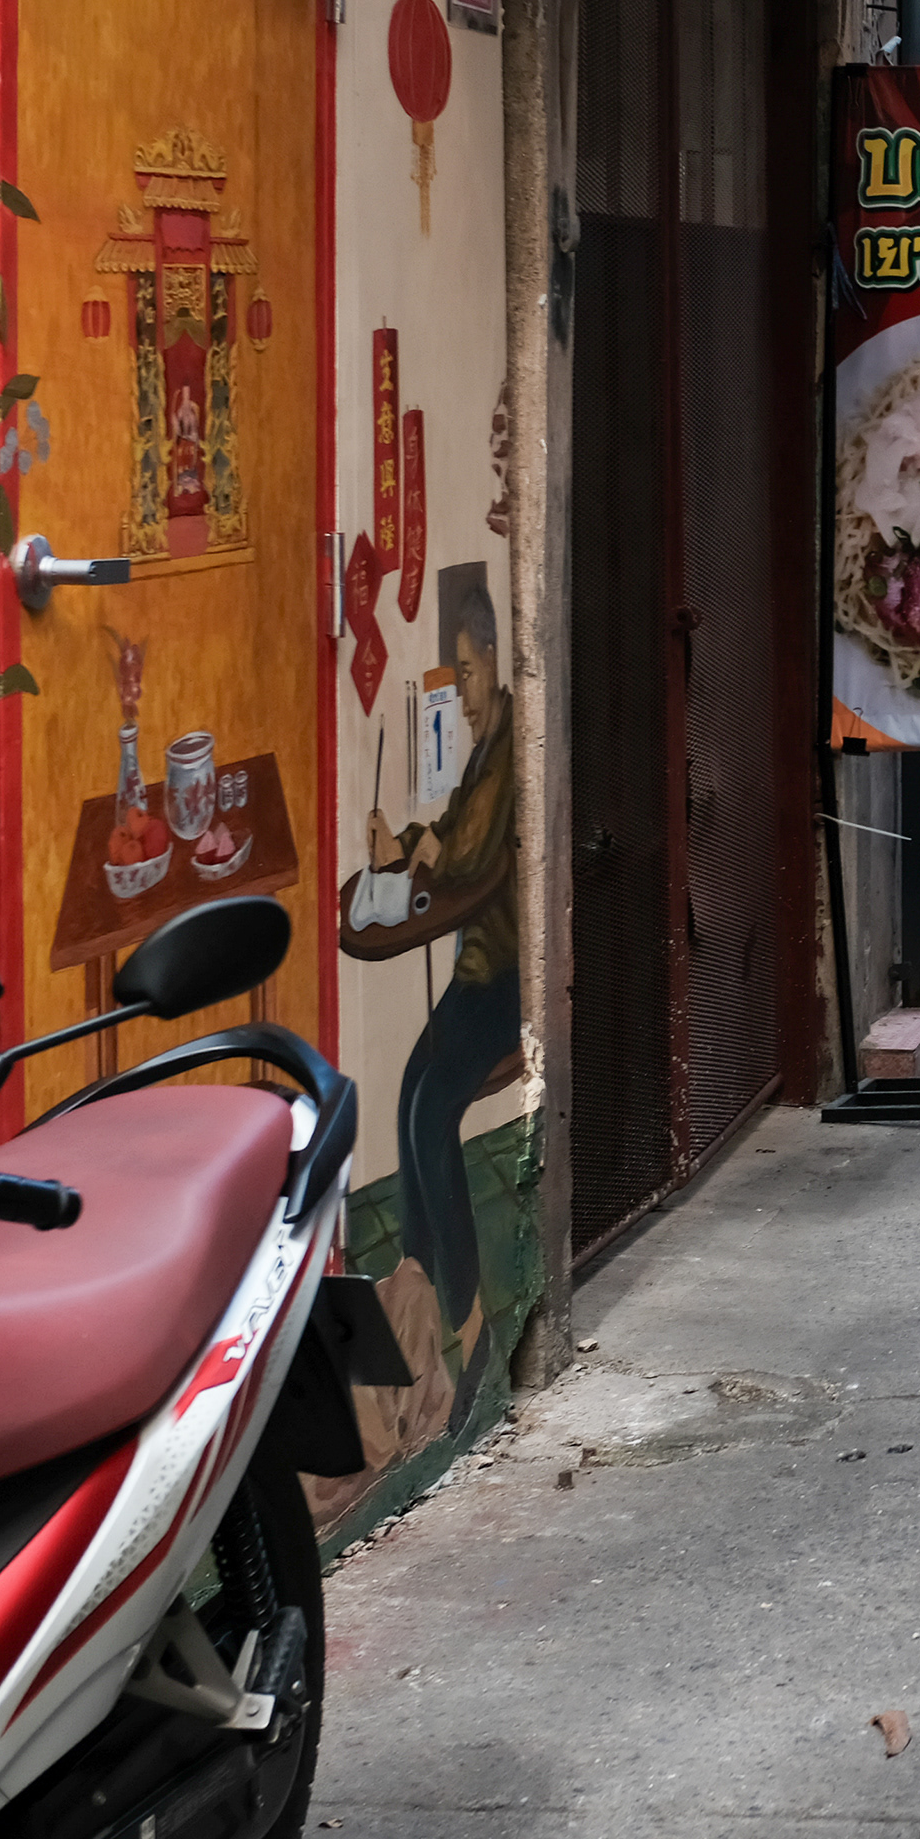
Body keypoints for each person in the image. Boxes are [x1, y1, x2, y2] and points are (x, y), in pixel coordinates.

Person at [363, 569, 521, 1406]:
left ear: (491, 659)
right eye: (456, 678)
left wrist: (430, 850)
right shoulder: (488, 747)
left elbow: (469, 850)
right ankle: (419, 1295)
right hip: (479, 971)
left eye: (465, 674)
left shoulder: (510, 749)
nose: (460, 695)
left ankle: (470, 1327)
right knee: (409, 1092)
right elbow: (454, 829)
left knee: (430, 1113)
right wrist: (409, 841)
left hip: (506, 981)